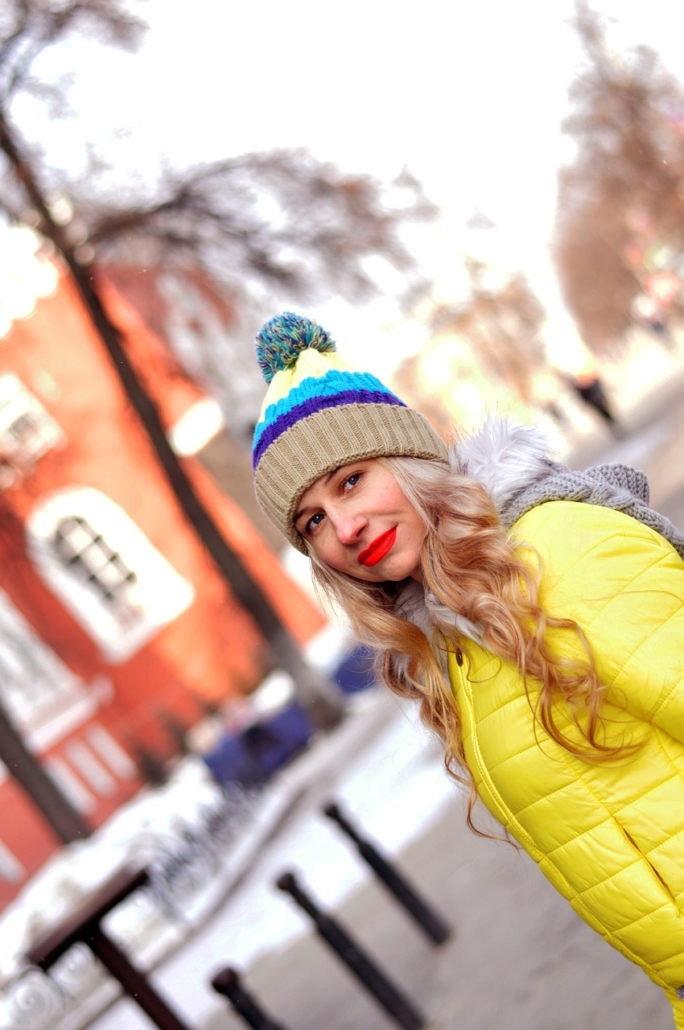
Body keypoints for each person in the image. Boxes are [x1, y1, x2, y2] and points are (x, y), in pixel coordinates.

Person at [251, 312, 684, 1028]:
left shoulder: (554, 551)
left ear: (409, 460)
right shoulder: (457, 636)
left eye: (351, 481)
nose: (344, 528)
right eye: (313, 522)